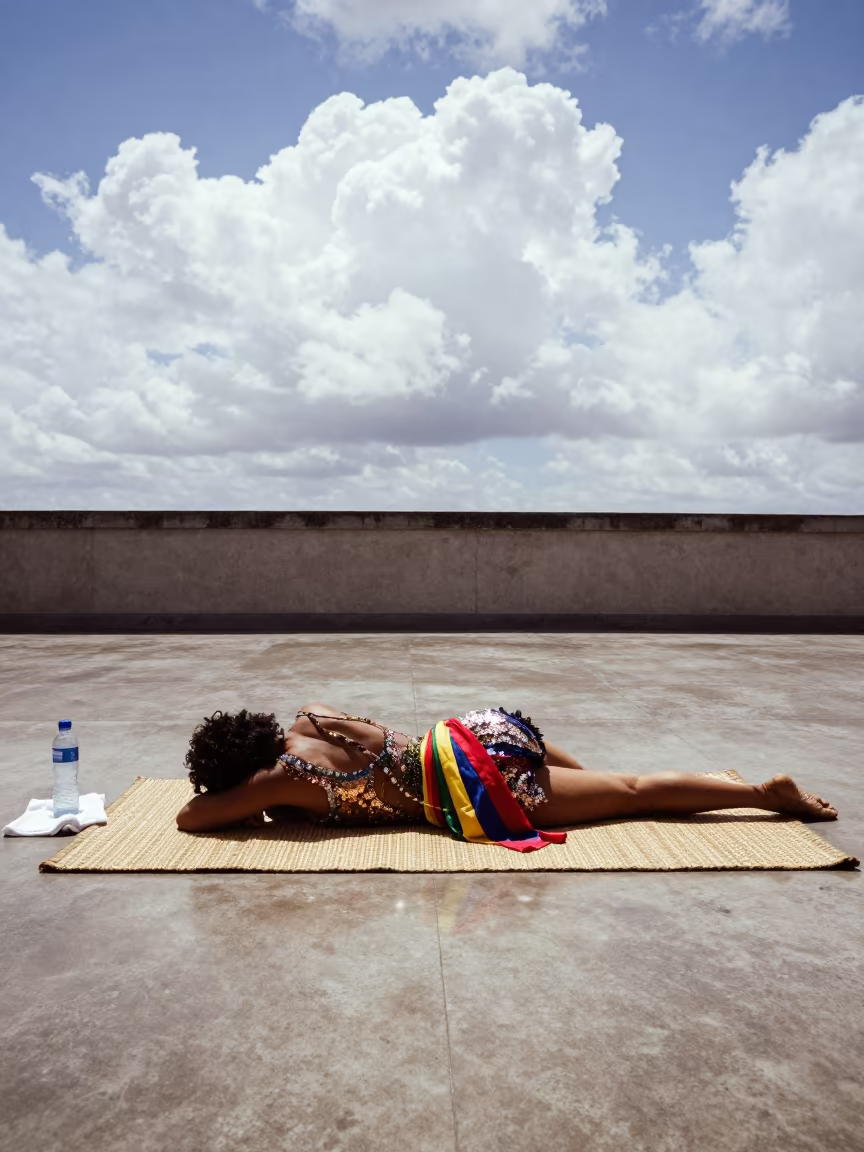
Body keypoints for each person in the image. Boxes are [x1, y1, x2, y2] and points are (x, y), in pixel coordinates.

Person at [176, 704, 837, 842]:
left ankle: (759, 794)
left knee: (633, 796)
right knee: (609, 784)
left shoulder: (276, 780)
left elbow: (190, 818)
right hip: (478, 731)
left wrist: (244, 798)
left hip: (482, 785)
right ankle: (743, 787)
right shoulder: (310, 716)